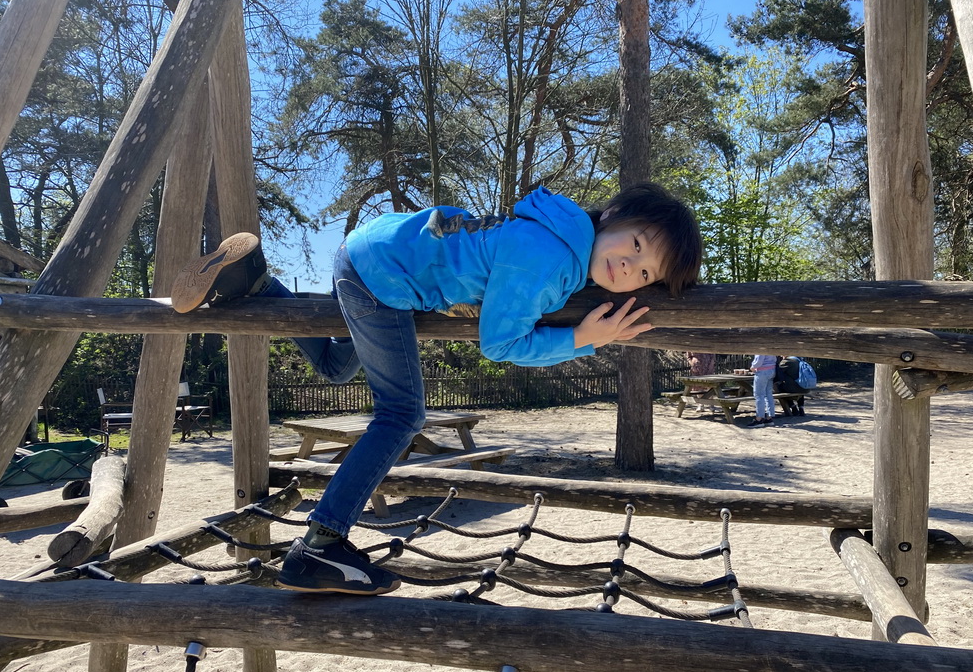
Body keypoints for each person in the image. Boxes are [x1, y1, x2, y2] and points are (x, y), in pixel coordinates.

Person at [171, 183, 702, 594]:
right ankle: (320, 544)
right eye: (635, 244)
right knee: (402, 415)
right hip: (384, 276)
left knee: (335, 368)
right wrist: (584, 338)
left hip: (373, 254)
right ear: (608, 218)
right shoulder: (551, 257)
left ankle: (256, 282)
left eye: (644, 273)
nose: (629, 265)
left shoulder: (557, 235)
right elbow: (501, 342)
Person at [748, 353, 777, 426]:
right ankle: (769, 417)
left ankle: (759, 419)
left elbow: (759, 360)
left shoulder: (760, 345)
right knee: (768, 394)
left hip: (762, 371)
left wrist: (753, 367)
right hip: (772, 369)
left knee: (759, 395)